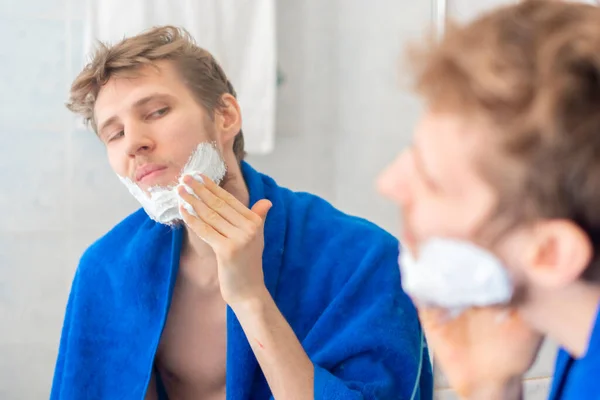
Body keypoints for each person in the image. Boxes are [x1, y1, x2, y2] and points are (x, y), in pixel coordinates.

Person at [50, 25, 432, 400]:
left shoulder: (362, 259)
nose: (133, 142)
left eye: (156, 111)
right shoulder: (108, 270)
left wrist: (251, 298)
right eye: (114, 134)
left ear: (226, 116)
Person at [377, 0, 600, 399]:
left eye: (431, 180)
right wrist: (487, 385)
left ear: (550, 252)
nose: (389, 183)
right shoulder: (582, 335)